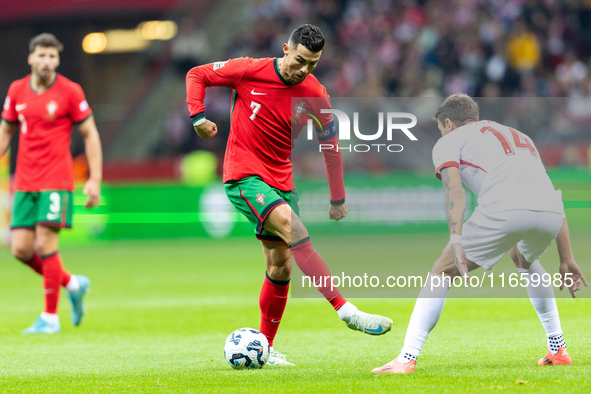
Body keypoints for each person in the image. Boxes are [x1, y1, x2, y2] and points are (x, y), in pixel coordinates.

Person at [186, 24, 392, 365]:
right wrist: (197, 116)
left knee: (280, 266)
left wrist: (337, 198)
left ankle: (264, 348)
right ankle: (346, 311)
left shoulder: (314, 93)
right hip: (245, 176)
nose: (303, 70)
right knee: (296, 231)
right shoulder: (250, 70)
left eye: (312, 64)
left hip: (282, 182)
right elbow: (197, 74)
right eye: (299, 60)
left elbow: (331, 144)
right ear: (285, 49)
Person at [372, 93, 587, 374]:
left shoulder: (449, 140)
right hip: (551, 214)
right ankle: (558, 349)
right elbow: (547, 193)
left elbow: (454, 189)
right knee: (522, 257)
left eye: (440, 129)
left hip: (504, 208)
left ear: (448, 123)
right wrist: (566, 257)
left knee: (442, 271)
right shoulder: (518, 135)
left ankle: (406, 358)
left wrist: (456, 239)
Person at [0, 33, 102, 334]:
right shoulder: (17, 90)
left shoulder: (70, 91)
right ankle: (71, 283)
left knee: (45, 242)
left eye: (53, 57)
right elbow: (6, 131)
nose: (47, 62)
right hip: (25, 180)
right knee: (19, 249)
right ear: (31, 58)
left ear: (58, 60)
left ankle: (49, 317)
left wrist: (94, 178)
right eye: (42, 55)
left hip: (56, 178)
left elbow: (90, 134)